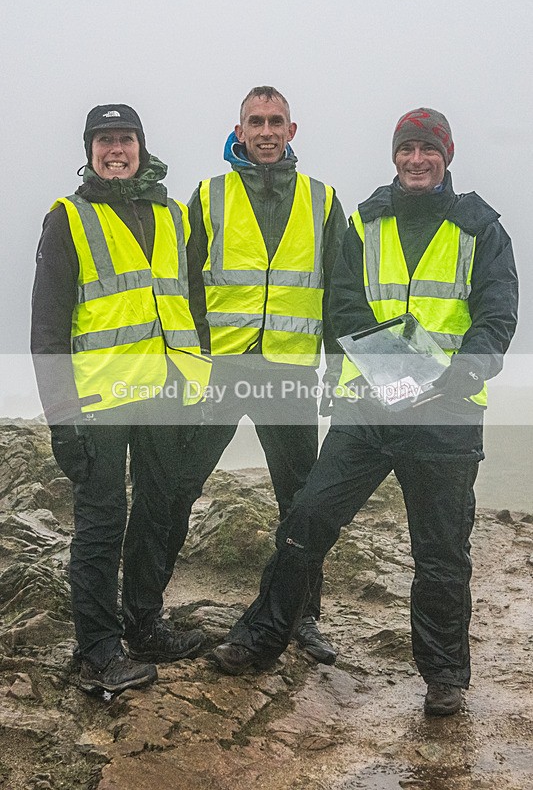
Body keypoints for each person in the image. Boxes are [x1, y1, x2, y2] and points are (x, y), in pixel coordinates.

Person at [211, 107, 519, 716]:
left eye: (427, 150)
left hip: (446, 417)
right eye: (407, 149)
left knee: (440, 554)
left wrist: (451, 379)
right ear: (395, 155)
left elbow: (496, 320)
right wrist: (397, 375)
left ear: (445, 156)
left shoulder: (484, 229)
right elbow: (343, 308)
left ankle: (444, 676)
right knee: (306, 520)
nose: (416, 160)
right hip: (368, 409)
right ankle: (263, 635)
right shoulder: (365, 222)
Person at [31, 104, 212, 693]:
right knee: (102, 525)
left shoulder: (175, 216)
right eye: (105, 140)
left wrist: (198, 389)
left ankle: (144, 623)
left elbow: (194, 310)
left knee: (159, 513)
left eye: (126, 139)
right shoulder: (67, 219)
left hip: (165, 396)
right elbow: (48, 332)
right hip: (99, 403)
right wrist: (62, 420)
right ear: (89, 151)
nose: (116, 150)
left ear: (141, 146)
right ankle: (99, 650)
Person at [163, 86, 346, 664]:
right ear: (239, 130)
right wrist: (189, 362)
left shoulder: (323, 200)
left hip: (290, 371)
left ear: (292, 131)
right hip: (220, 369)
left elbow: (342, 295)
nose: (265, 131)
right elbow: (183, 285)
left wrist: (341, 378)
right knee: (176, 485)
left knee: (301, 499)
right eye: (254, 122)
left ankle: (302, 617)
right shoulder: (208, 195)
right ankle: (144, 616)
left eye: (275, 122)